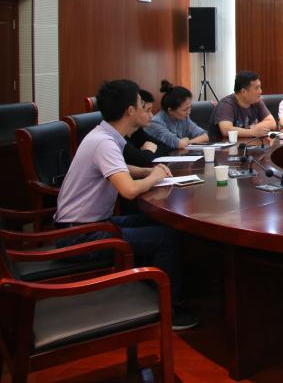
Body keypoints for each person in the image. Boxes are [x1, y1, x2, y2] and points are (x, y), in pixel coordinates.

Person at [54, 79, 198, 330]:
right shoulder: (104, 142)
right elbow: (129, 191)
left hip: (89, 226)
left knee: (161, 223)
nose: (147, 110)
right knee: (167, 238)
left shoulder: (104, 135)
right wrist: (154, 176)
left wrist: (146, 171)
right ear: (130, 111)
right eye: (143, 105)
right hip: (80, 236)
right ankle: (167, 310)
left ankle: (153, 293)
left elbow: (120, 168)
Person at [209, 71, 276, 141]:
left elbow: (272, 122)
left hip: (248, 144)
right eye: (257, 88)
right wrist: (252, 132)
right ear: (244, 91)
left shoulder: (256, 101)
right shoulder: (226, 104)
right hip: (225, 146)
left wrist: (252, 129)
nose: (260, 91)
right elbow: (226, 130)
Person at [149, 80, 209, 150]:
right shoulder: (156, 123)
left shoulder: (184, 118)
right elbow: (178, 143)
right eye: (185, 110)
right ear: (170, 111)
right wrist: (182, 142)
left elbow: (205, 136)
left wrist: (188, 141)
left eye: (190, 107)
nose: (189, 112)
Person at [122, 89, 170, 168]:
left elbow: (164, 148)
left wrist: (145, 154)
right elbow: (141, 161)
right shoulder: (119, 137)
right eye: (147, 110)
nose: (151, 116)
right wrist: (148, 152)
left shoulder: (137, 132)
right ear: (131, 111)